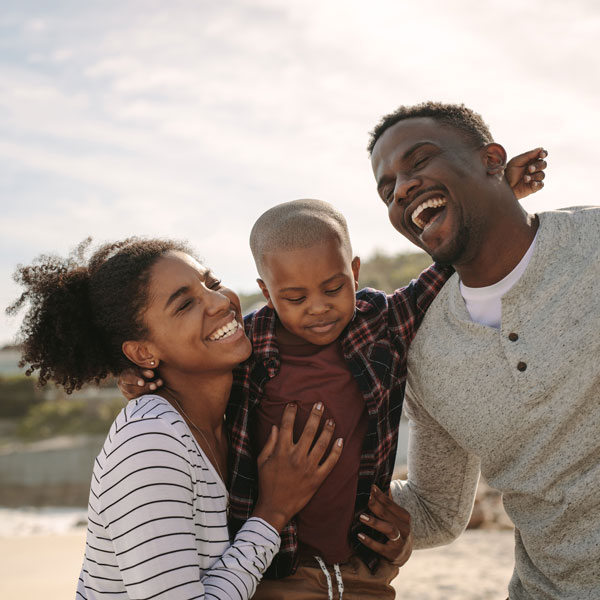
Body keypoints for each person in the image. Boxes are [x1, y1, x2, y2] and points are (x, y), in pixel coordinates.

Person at [119, 155, 544, 599]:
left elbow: (443, 273)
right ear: (266, 292)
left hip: (363, 568)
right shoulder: (249, 346)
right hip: (274, 570)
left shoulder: (378, 322)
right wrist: (144, 379)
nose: (318, 307)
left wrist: (497, 201)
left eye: (334, 288)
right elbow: (190, 372)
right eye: (295, 297)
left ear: (354, 273)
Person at [8, 237, 344, 600]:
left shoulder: (234, 412)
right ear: (143, 352)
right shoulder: (149, 445)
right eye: (185, 304)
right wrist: (272, 512)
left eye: (212, 283)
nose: (220, 302)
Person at [368, 101, 599, 599]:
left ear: (492, 159)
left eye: (419, 161)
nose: (402, 188)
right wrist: (303, 498)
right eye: (387, 189)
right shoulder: (426, 352)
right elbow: (435, 510)